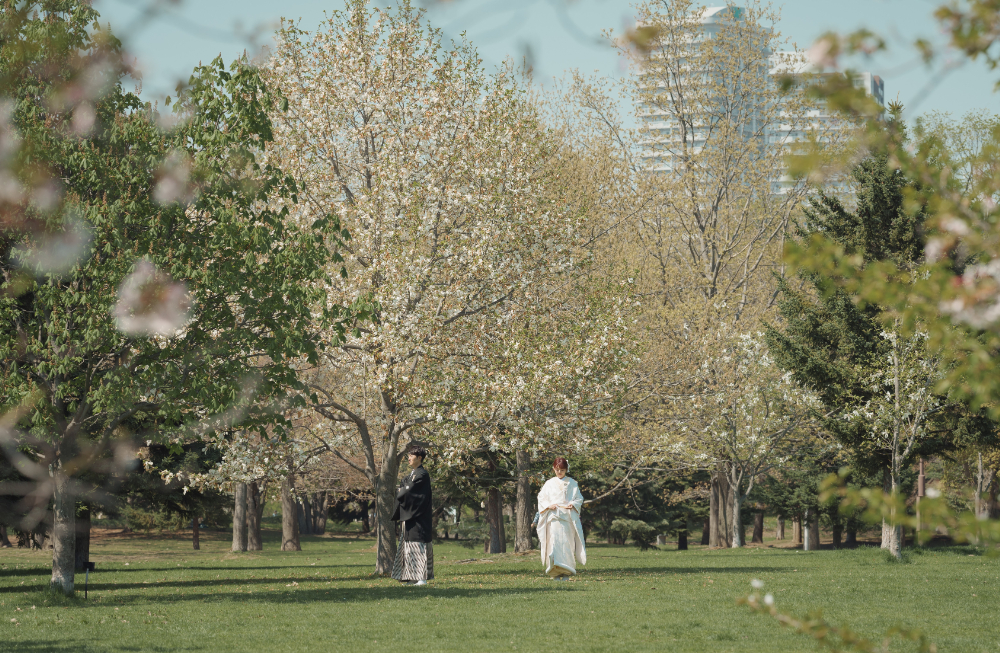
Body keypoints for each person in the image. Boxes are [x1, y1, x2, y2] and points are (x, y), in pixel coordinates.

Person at [536, 456, 586, 580]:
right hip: (554, 517)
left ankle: (567, 571)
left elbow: (579, 498)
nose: (559, 472)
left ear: (566, 470)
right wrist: (549, 505)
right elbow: (541, 497)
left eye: (562, 470)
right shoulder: (549, 483)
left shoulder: (572, 483)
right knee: (554, 543)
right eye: (557, 470)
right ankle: (554, 571)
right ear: (554, 469)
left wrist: (573, 504)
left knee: (567, 544)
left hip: (567, 517)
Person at [391, 444, 434, 585]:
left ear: (419, 458)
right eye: (408, 455)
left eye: (411, 455)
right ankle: (411, 577)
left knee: (419, 546)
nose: (408, 458)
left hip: (418, 517)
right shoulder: (412, 474)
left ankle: (422, 578)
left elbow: (406, 492)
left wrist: (402, 490)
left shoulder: (422, 474)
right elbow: (403, 488)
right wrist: (402, 489)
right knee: (408, 548)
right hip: (410, 516)